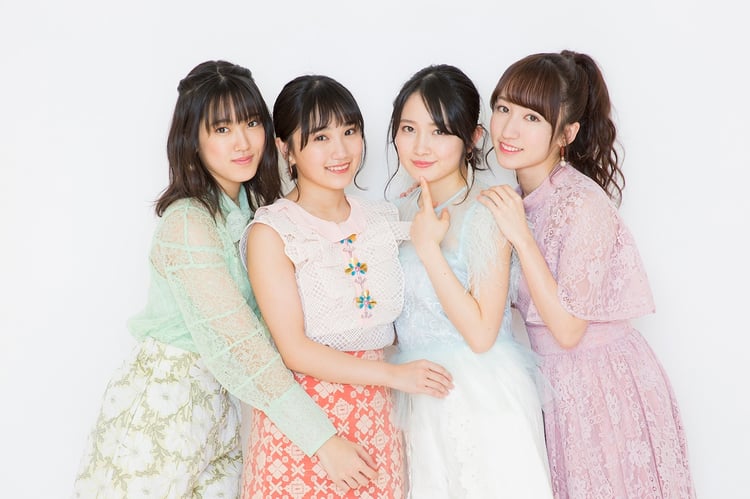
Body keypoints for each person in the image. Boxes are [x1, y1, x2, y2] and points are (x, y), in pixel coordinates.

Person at [72, 60, 380, 499]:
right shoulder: (188, 223)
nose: (242, 142)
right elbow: (242, 345)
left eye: (251, 123)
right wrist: (323, 441)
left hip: (224, 408)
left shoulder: (255, 214)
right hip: (164, 403)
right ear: (192, 140)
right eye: (221, 129)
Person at [479, 50, 696, 498]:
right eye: (503, 108)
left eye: (532, 118)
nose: (509, 129)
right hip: (554, 386)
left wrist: (521, 237)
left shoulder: (582, 202)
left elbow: (567, 329)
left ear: (567, 133)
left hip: (601, 384)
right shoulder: (516, 198)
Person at [241, 74, 453, 499]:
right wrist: (395, 375)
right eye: (320, 137)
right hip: (308, 430)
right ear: (286, 149)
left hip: (379, 419)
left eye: (350, 132)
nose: (340, 151)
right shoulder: (273, 231)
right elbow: (293, 350)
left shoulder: (383, 219)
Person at [388, 64, 552, 498]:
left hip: (478, 397)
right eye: (408, 129)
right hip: (419, 397)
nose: (421, 146)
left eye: (440, 131)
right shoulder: (399, 211)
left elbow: (481, 334)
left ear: (473, 138)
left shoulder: (487, 210)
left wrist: (429, 249)